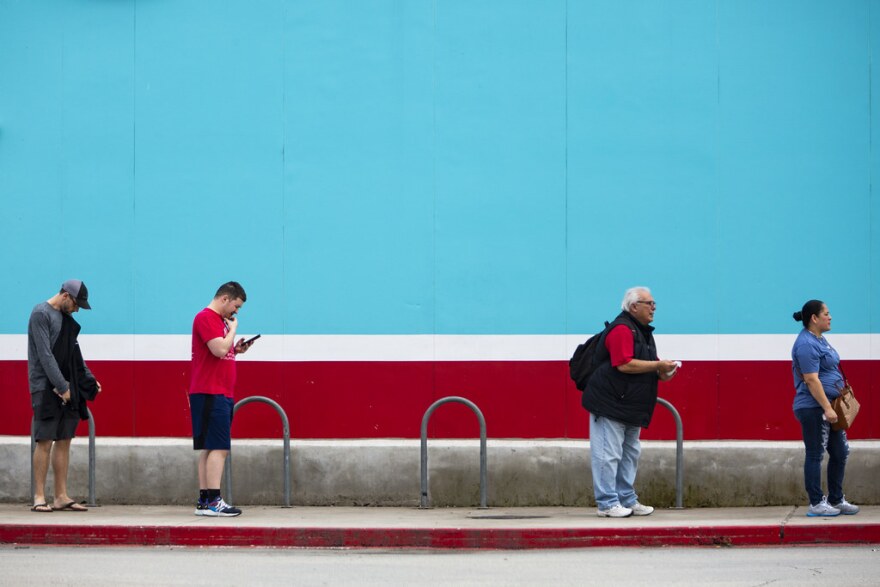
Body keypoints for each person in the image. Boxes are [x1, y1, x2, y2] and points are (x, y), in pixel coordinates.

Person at [581, 286, 678, 518]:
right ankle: (606, 503)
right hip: (610, 403)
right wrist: (657, 366)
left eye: (654, 304)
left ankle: (627, 499)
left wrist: (665, 371)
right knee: (608, 454)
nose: (654, 308)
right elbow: (623, 363)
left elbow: (650, 366)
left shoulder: (643, 333)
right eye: (649, 303)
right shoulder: (622, 330)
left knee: (629, 454)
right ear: (634, 306)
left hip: (631, 405)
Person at [28, 279, 101, 512]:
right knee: (44, 441)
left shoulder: (67, 320)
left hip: (67, 386)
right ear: (66, 296)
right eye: (77, 304)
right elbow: (45, 355)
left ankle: (61, 496)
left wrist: (89, 381)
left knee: (64, 440)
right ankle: (39, 496)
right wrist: (62, 387)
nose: (78, 309)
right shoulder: (41, 314)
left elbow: (76, 354)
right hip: (45, 386)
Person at [189, 281, 255, 517]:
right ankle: (214, 501)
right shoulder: (206, 318)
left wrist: (235, 350)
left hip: (219, 391)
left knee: (210, 446)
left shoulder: (218, 322)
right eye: (235, 306)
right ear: (225, 298)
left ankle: (205, 501)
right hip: (210, 391)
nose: (236, 312)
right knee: (219, 447)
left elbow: (221, 351)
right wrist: (233, 330)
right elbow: (217, 349)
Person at [791, 300, 859, 517]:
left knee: (840, 452)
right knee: (815, 453)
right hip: (814, 408)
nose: (830, 317)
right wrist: (826, 408)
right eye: (826, 314)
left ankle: (836, 499)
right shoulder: (805, 344)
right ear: (814, 318)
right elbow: (811, 380)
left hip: (831, 406)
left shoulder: (820, 339)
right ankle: (816, 503)